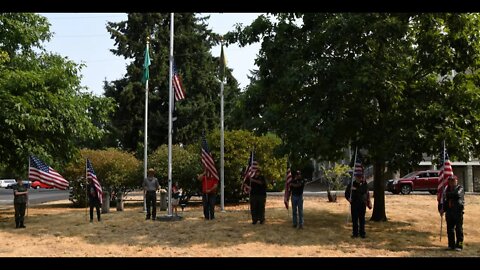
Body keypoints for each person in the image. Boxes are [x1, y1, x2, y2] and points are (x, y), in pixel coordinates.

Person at [442, 175, 465, 251]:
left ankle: (460, 245)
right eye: (450, 181)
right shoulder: (447, 189)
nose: (452, 182)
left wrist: (447, 194)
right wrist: (443, 209)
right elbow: (446, 201)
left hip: (457, 212)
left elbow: (457, 195)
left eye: (453, 181)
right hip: (449, 212)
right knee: (450, 230)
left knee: (459, 230)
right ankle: (451, 245)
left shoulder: (460, 188)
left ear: (456, 181)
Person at [345, 173, 370, 238]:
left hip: (362, 204)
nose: (359, 178)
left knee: (362, 219)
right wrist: (348, 198)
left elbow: (363, 191)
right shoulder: (351, 184)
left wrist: (355, 189)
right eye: (357, 177)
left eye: (360, 177)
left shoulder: (364, 184)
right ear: (355, 177)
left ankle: (362, 233)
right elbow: (346, 193)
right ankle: (355, 234)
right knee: (354, 219)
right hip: (354, 204)